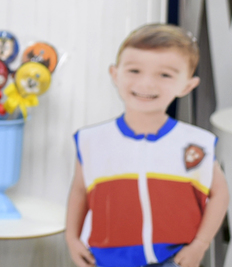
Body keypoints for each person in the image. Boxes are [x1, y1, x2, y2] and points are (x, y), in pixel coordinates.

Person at [67, 24, 228, 267]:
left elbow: (220, 194)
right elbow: (80, 192)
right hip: (106, 259)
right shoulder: (92, 140)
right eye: (134, 70)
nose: (146, 83)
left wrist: (200, 244)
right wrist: (72, 238)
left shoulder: (196, 143)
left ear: (187, 85)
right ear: (115, 74)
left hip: (174, 258)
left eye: (165, 75)